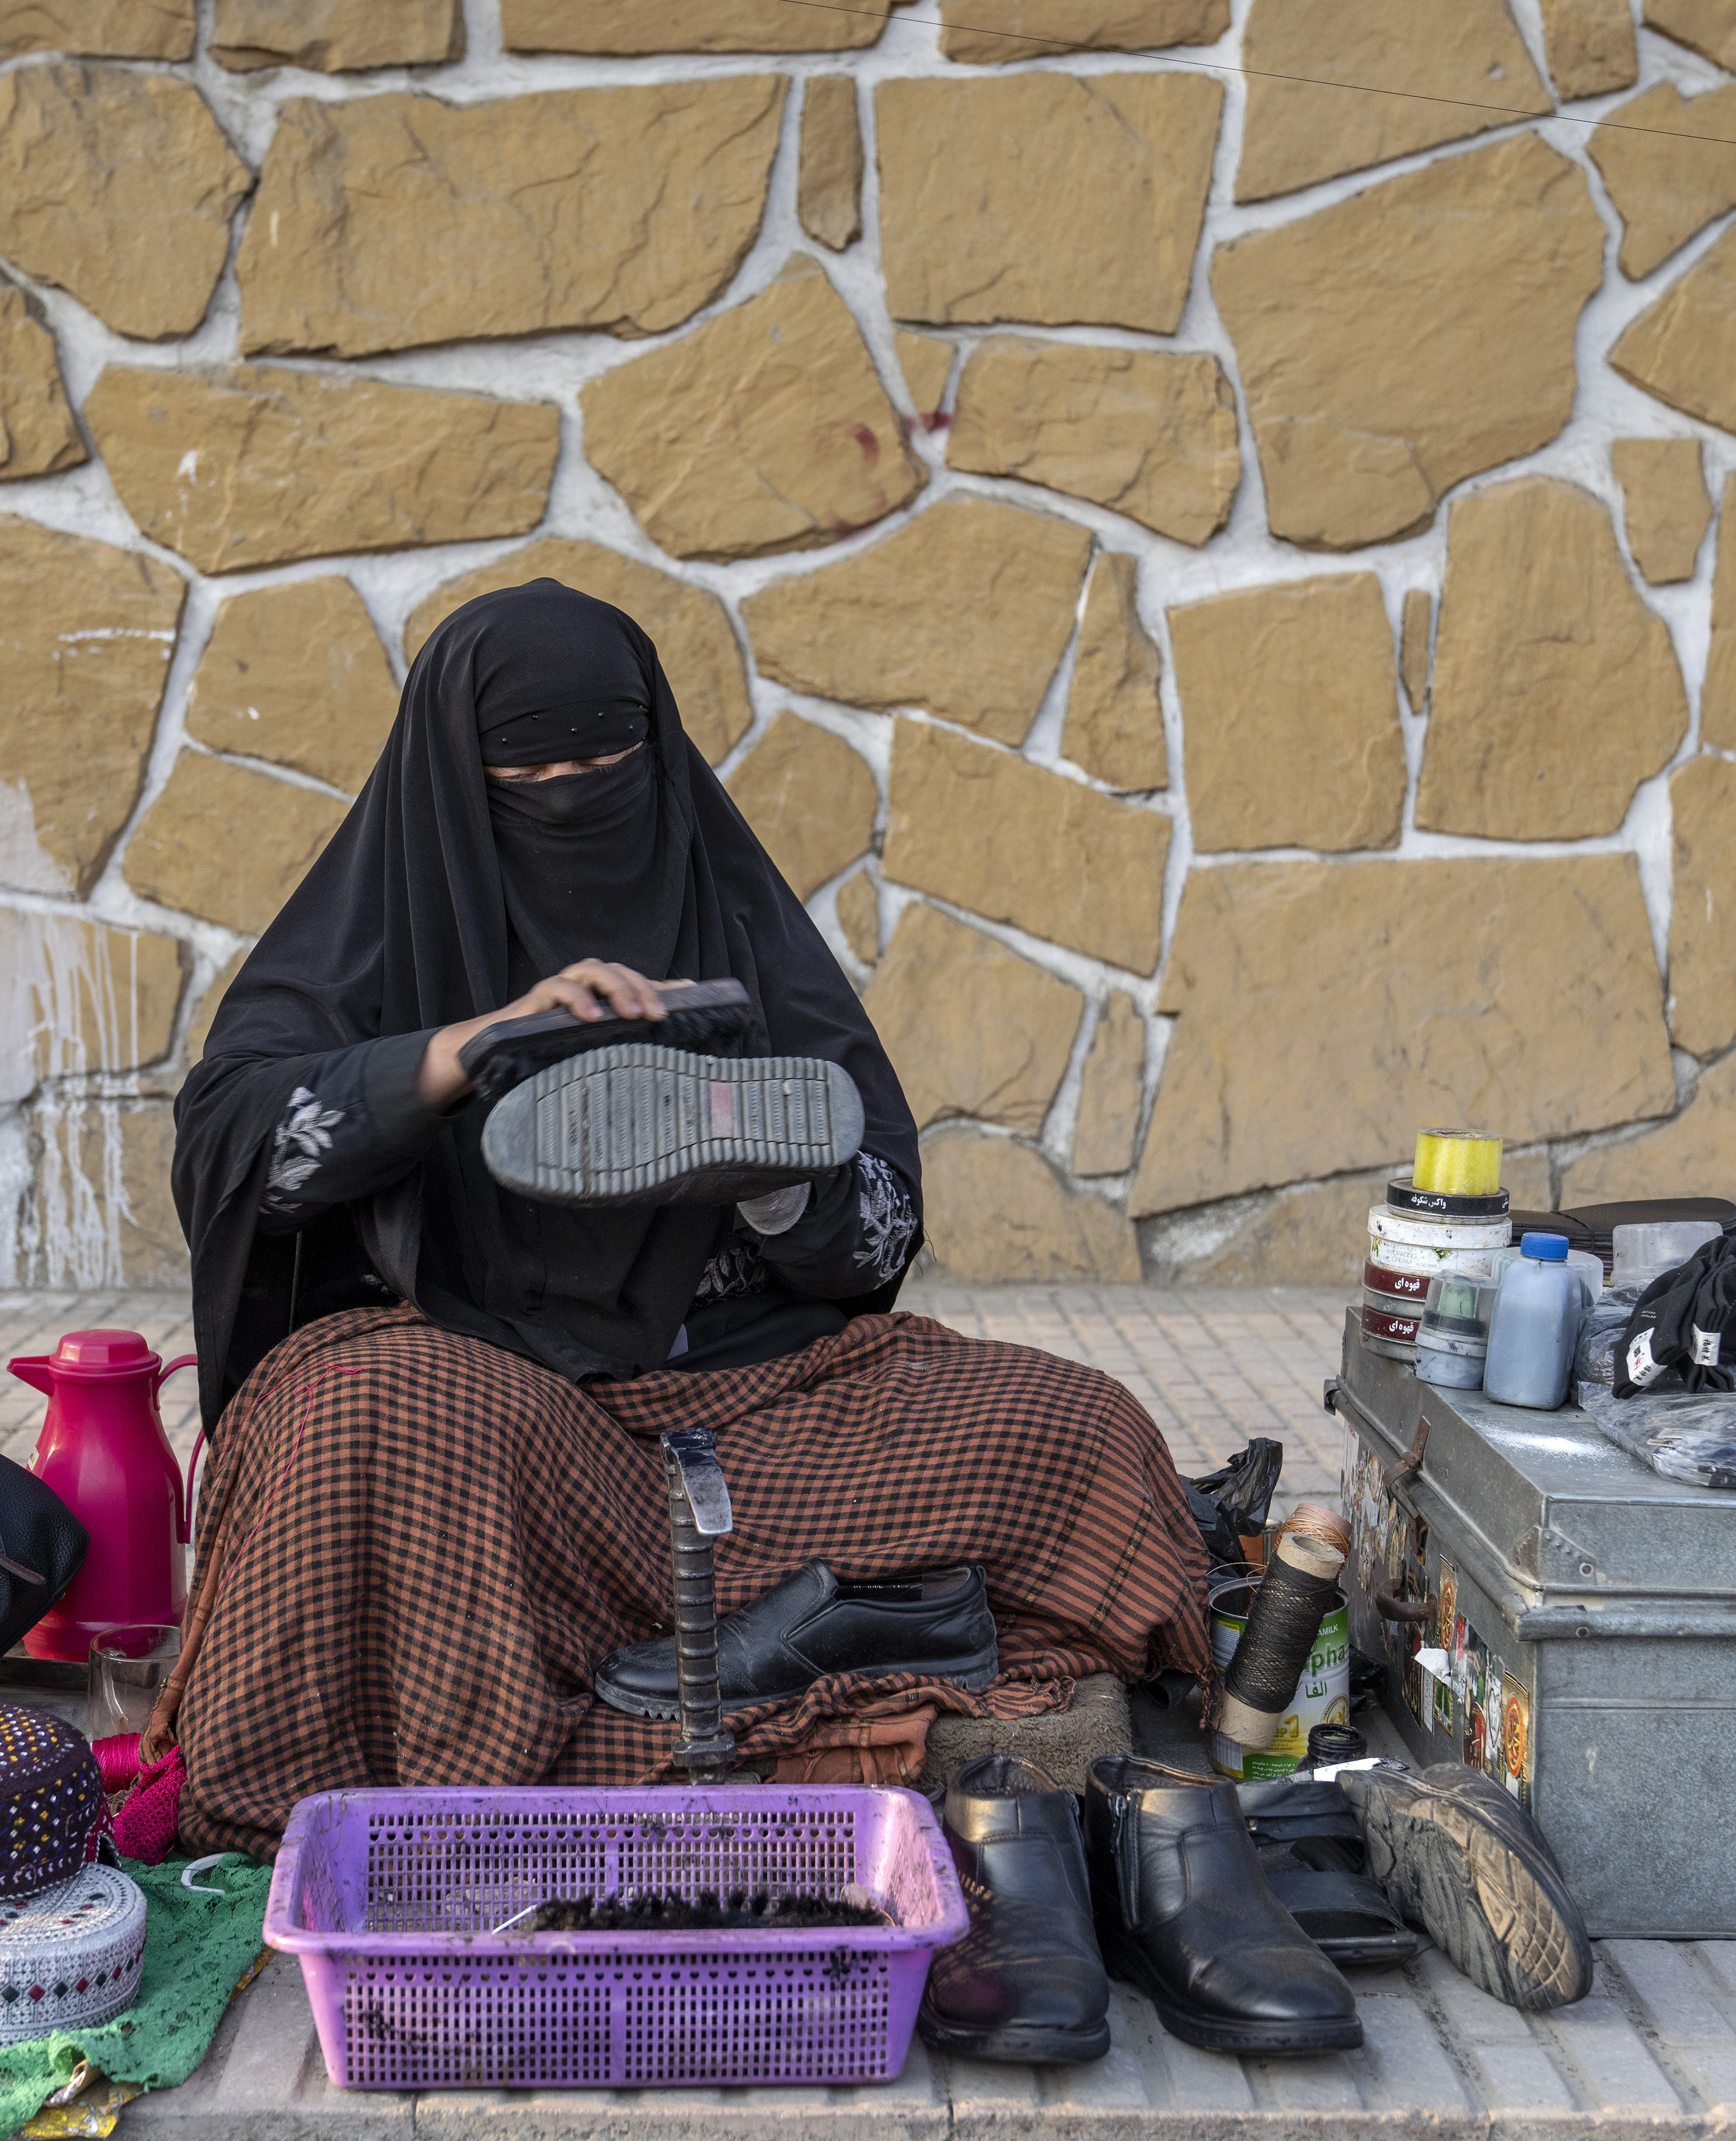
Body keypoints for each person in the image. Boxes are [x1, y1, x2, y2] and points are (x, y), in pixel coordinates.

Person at [144, 579, 1210, 1859]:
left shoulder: (734, 912)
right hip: (506, 1424)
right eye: (526, 773)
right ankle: (819, 1639)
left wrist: (763, 1165)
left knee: (1077, 1425)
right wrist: (461, 1052)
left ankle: (715, 1648)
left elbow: (874, 1231)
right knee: (361, 1417)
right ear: (451, 780)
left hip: (760, 1426)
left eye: (605, 762)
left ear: (656, 751)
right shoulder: (376, 924)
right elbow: (230, 1141)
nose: (573, 795)